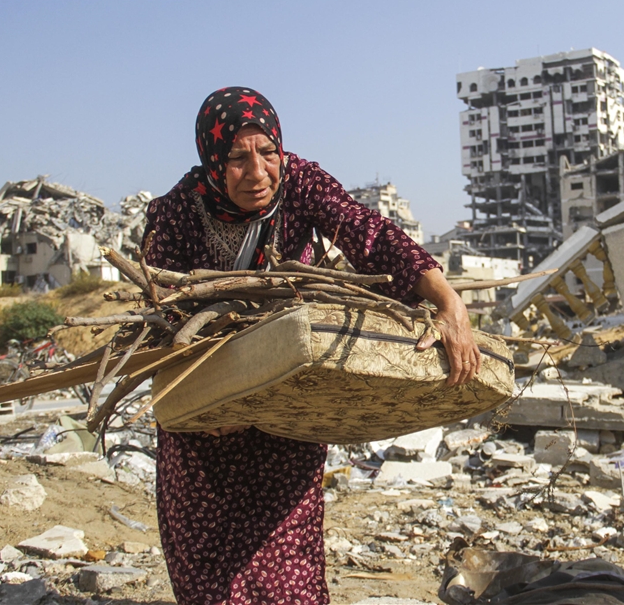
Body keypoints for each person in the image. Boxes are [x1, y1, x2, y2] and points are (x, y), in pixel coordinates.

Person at [143, 86, 481, 604]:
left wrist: (447, 301)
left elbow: (368, 234)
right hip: (205, 413)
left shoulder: (300, 182)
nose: (257, 172)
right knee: (210, 570)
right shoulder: (176, 214)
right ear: (211, 160)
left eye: (267, 153)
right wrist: (214, 402)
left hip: (286, 404)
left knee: (285, 562)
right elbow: (164, 323)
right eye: (236, 158)